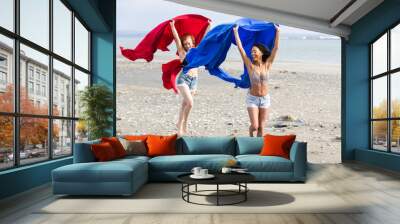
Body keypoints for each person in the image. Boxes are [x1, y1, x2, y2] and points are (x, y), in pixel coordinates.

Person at [233, 25, 280, 137]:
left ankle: (258, 150)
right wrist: (235, 32)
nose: (252, 53)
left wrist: (278, 31)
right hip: (252, 99)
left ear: (261, 52)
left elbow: (275, 48)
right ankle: (250, 133)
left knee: (261, 127)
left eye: (255, 51)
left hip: (265, 99)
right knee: (254, 126)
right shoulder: (250, 66)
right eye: (252, 52)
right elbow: (241, 49)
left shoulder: (267, 65)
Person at [170, 20, 210, 137]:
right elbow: (177, 39)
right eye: (185, 43)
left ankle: (181, 125)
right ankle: (183, 125)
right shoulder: (182, 52)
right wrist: (173, 26)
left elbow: (204, 39)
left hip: (194, 81)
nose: (187, 45)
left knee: (184, 104)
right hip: (183, 80)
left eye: (189, 43)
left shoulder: (197, 52)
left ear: (193, 43)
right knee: (190, 104)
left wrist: (208, 26)